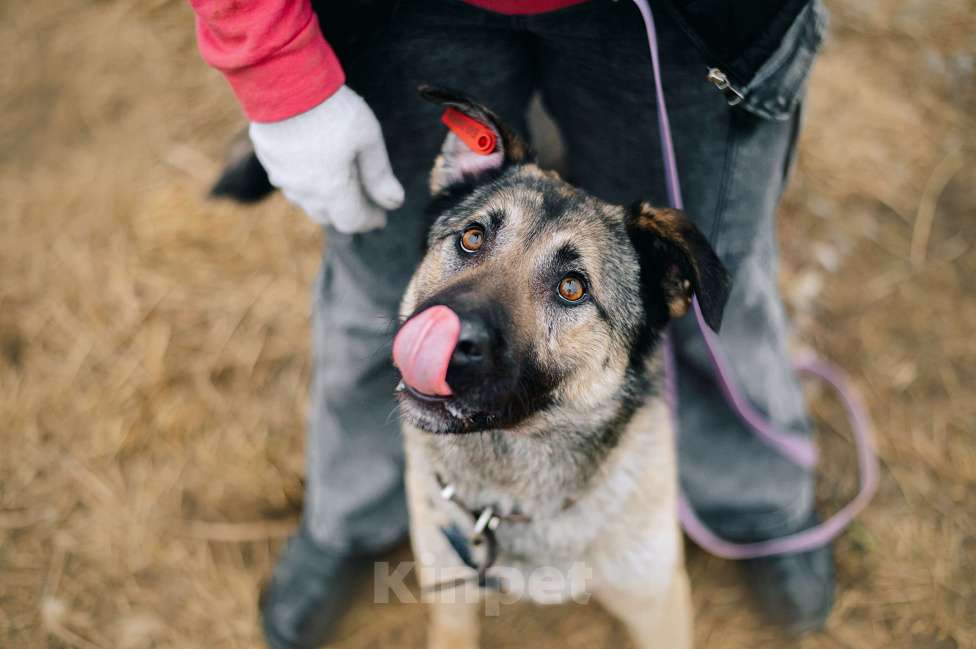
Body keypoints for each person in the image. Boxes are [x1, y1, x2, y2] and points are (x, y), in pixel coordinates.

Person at [189, 1, 833, 647]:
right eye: (472, 239)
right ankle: (349, 518)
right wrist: (279, 71)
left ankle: (758, 505)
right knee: (371, 294)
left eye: (570, 286)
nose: (465, 321)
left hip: (681, 18)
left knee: (727, 304)